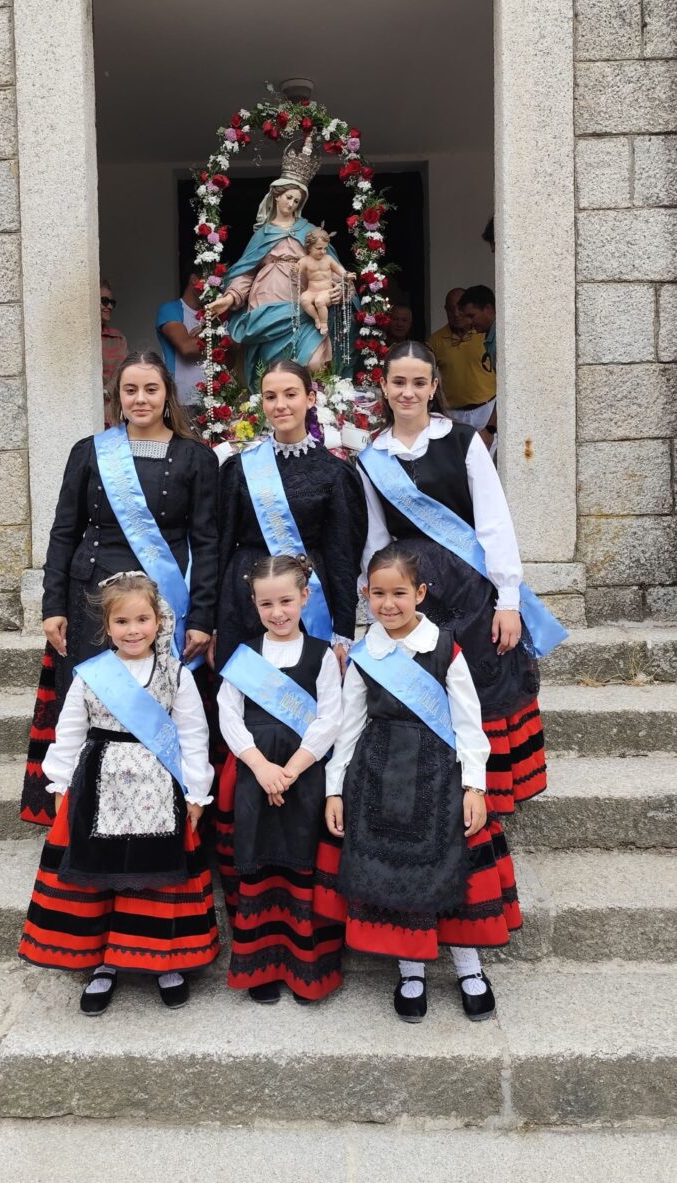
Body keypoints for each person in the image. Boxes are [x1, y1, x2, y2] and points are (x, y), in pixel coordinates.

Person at [356, 341, 561, 869]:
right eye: (398, 382)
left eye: (418, 383)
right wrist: (375, 594)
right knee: (420, 688)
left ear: (432, 387)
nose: (408, 391)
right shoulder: (371, 458)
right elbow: (377, 536)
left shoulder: (464, 441)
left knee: (480, 683)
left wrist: (508, 598)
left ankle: (483, 790)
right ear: (384, 386)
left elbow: (493, 521)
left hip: (470, 591)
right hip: (411, 591)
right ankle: (433, 783)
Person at [21, 350, 219, 825]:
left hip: (162, 601)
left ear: (167, 395)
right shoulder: (89, 452)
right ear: (117, 396)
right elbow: (63, 532)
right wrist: (52, 605)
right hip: (91, 599)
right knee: (90, 704)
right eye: (131, 390)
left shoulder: (197, 458)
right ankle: (82, 814)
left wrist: (205, 616)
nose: (141, 398)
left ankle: (163, 815)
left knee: (162, 702)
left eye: (151, 389)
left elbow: (208, 541)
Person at [316, 543, 508, 1023]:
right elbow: (348, 726)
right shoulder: (364, 655)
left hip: (440, 776)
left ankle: (469, 969)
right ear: (365, 595)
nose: (388, 603)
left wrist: (475, 787)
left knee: (451, 870)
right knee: (400, 877)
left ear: (420, 593)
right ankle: (411, 971)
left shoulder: (446, 648)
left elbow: (468, 723)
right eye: (377, 594)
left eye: (399, 592)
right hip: (379, 780)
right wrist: (335, 789)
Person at [18, 573, 219, 1015]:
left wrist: (197, 792)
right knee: (101, 874)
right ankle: (104, 963)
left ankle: (164, 960)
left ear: (158, 621)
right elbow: (69, 732)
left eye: (142, 619)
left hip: (160, 787)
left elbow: (193, 735)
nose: (133, 630)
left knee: (157, 873)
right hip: (98, 785)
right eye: (122, 621)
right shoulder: (92, 675)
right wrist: (59, 783)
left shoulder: (176, 675)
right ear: (107, 627)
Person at [217, 555, 344, 1003]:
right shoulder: (244, 656)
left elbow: (332, 718)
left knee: (301, 866)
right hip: (256, 777)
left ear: (305, 598)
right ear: (254, 604)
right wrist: (261, 766)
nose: (278, 612)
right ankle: (261, 969)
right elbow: (229, 717)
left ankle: (308, 970)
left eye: (287, 601)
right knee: (261, 866)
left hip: (304, 776)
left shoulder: (322, 655)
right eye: (266, 603)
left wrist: (292, 769)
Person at [213, 359, 367, 676]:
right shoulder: (240, 468)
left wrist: (344, 630)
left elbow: (343, 556)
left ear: (310, 398)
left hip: (308, 598)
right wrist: (211, 622)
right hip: (245, 596)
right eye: (270, 396)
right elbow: (221, 546)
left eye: (290, 394)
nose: (280, 405)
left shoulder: (335, 473)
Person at [206, 143, 346, 385]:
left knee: (313, 364)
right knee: (273, 369)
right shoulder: (262, 235)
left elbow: (327, 264)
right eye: (288, 197)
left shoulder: (310, 231)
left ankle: (315, 413)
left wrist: (337, 288)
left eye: (297, 200)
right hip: (267, 299)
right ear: (276, 196)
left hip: (305, 302)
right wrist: (229, 299)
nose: (291, 204)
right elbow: (245, 273)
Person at [429, 288, 496, 432]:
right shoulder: (435, 340)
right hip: (454, 414)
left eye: (460, 309)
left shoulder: (485, 332)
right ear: (445, 310)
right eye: (451, 309)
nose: (456, 314)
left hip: (487, 409)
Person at [156, 270, 206, 414]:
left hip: (213, 400)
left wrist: (208, 333)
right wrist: (212, 336)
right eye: (210, 280)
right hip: (181, 401)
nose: (216, 286)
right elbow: (186, 348)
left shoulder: (212, 317)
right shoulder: (170, 309)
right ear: (194, 279)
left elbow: (232, 350)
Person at [457, 286, 498, 449]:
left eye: (472, 316)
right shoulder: (491, 337)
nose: (469, 322)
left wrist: (490, 428)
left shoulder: (502, 336)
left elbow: (509, 390)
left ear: (488, 309)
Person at [296, 227, 355, 336]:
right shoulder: (305, 261)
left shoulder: (328, 259)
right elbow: (297, 270)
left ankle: (324, 323)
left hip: (327, 291)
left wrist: (346, 275)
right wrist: (294, 270)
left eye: (325, 248)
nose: (323, 251)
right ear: (309, 247)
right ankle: (317, 318)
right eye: (319, 248)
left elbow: (339, 269)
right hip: (311, 291)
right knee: (304, 299)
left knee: (319, 301)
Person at [100, 279, 128, 425]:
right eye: (104, 301)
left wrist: (106, 391)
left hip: (113, 414)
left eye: (112, 302)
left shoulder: (117, 338)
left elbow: (123, 371)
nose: (109, 306)